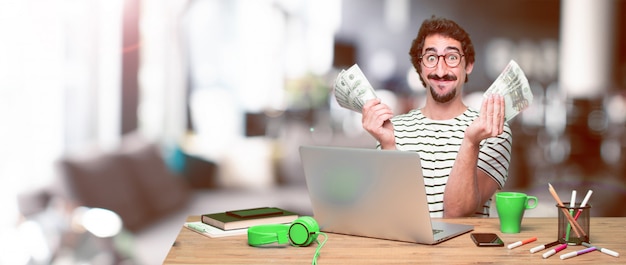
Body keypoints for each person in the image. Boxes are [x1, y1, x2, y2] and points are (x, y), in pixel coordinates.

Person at [361, 16, 512, 218]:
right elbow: (396, 212)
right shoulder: (391, 130)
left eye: (451, 57)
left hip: (465, 250)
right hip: (406, 249)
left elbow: (458, 212)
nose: (441, 71)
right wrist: (388, 145)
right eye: (431, 58)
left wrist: (470, 142)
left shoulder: (491, 130)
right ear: (420, 68)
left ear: (468, 66)